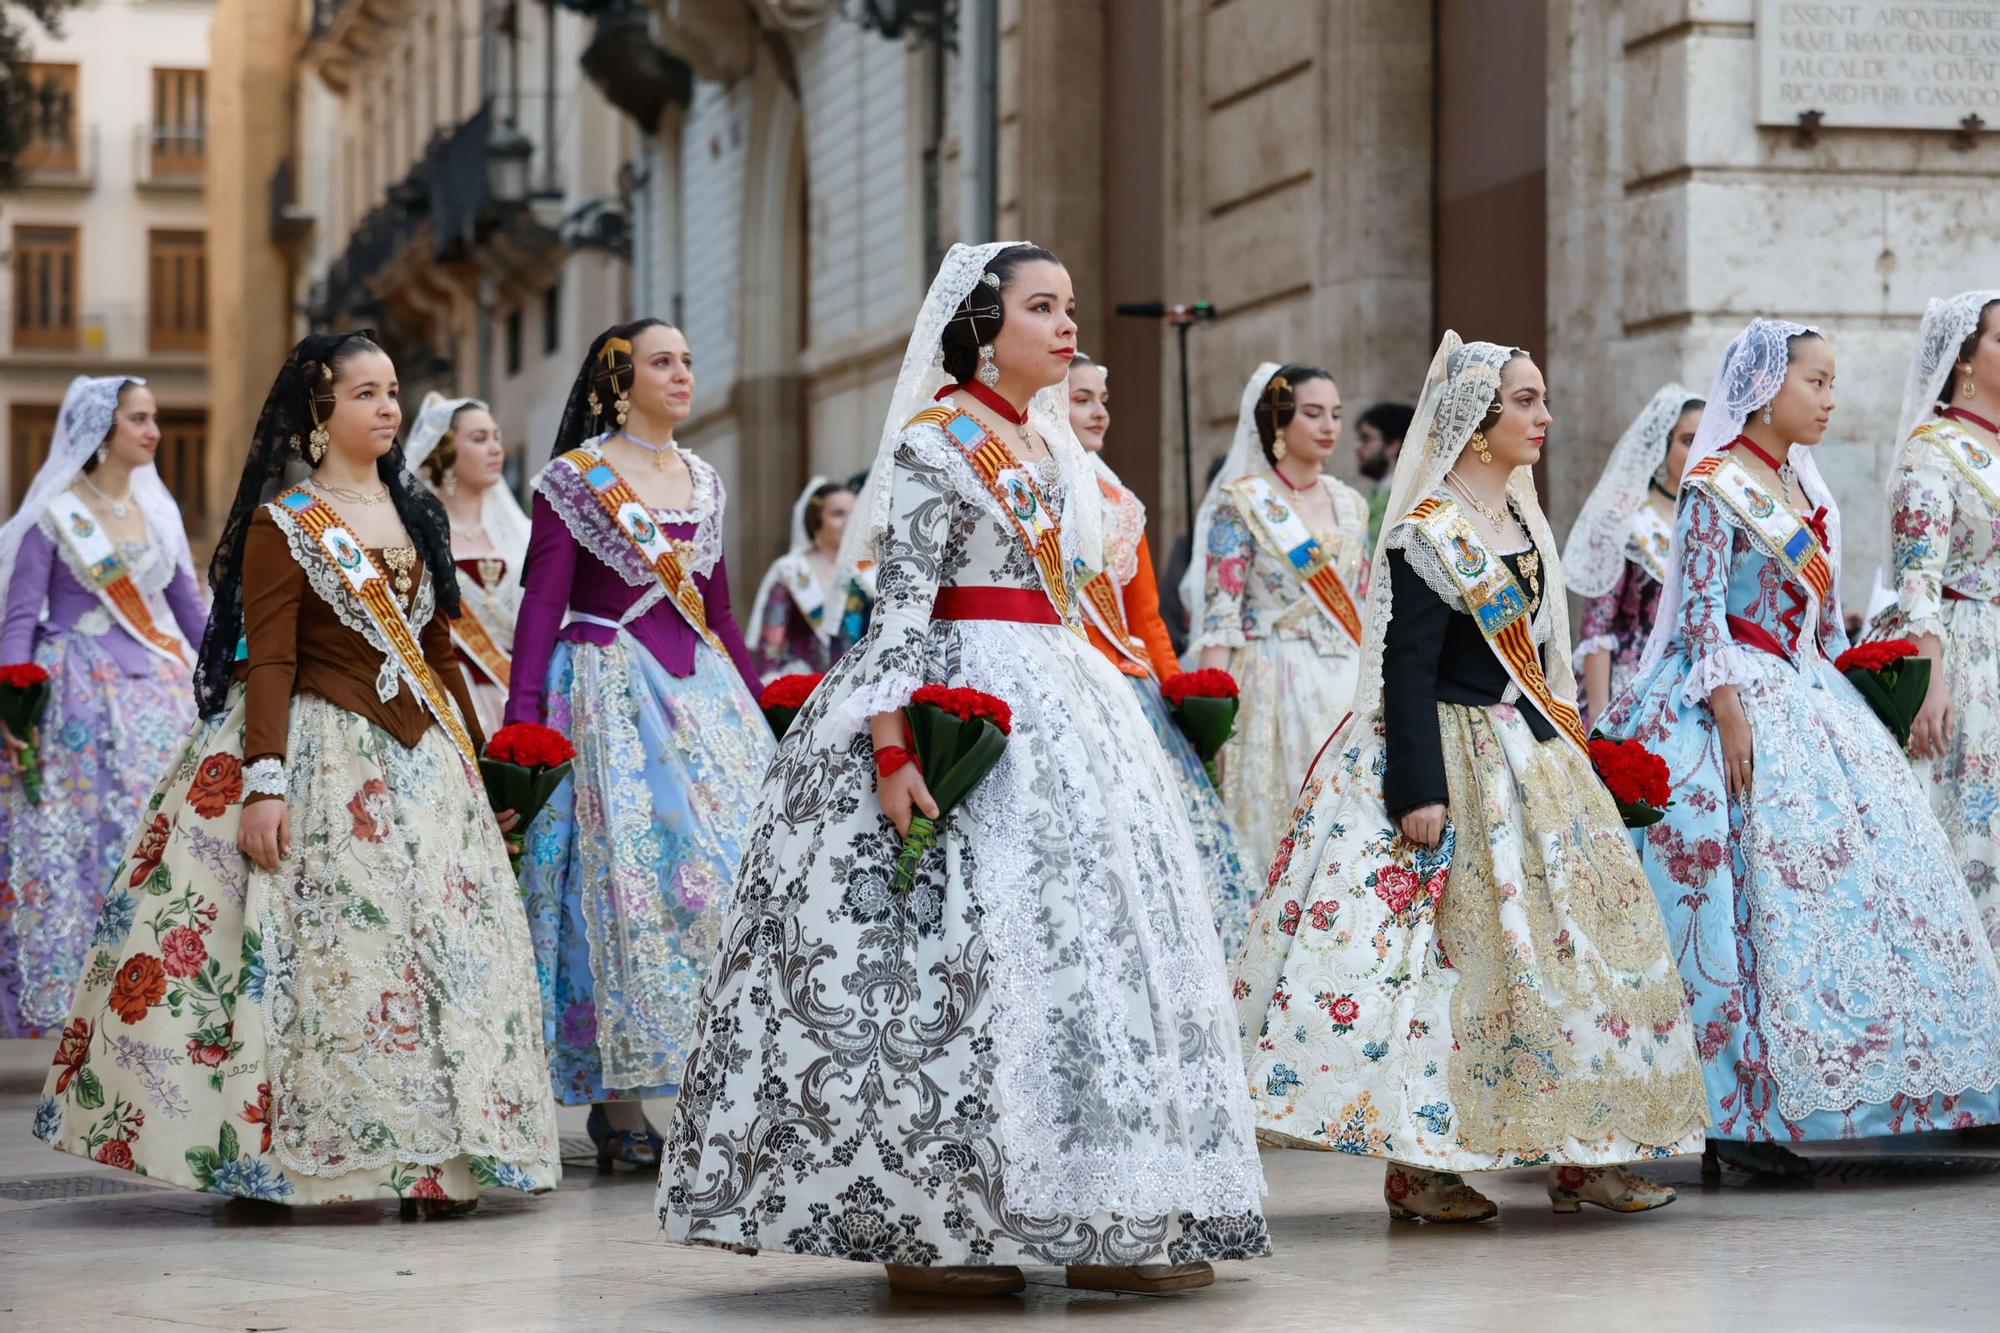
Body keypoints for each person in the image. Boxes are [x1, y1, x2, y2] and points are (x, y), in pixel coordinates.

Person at [659, 242, 1268, 1296]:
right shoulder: (935, 444)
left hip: (1066, 702)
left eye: (1071, 306)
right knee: (953, 964)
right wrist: (892, 751)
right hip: (957, 701)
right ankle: (940, 1226)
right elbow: (896, 617)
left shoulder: (1046, 446)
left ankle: (1104, 1212)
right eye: (1043, 308)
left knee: (1086, 955)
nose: (1067, 326)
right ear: (983, 325)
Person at [32, 332, 560, 1211]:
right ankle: (298, 1158)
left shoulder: (419, 514)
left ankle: (447, 1159)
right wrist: (264, 781)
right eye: (364, 393)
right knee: (333, 961)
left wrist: (485, 767)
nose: (387, 406)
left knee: (445, 956)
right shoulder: (286, 525)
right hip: (321, 753)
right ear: (319, 415)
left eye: (392, 391)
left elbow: (437, 653)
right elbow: (267, 659)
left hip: (427, 766)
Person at [1231, 333, 1708, 1223]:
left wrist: (1570, 756)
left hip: (1526, 755)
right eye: (1525, 401)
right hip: (1449, 760)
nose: (1544, 417)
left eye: (1540, 399)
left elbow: (1538, 661)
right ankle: (1422, 1167)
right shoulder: (1427, 533)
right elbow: (1403, 673)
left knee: (1578, 956)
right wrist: (1416, 788)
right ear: (1478, 426)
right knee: (1454, 972)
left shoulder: (1522, 522)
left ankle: (1589, 1150)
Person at [1599, 318, 2000, 1175]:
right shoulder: (1714, 483)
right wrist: (1731, 708)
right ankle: (1730, 1115)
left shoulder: (1798, 486)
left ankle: (1816, 1094)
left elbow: (1815, 614)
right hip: (1729, 694)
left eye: (1831, 383)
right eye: (1814, 382)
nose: (1828, 399)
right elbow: (1701, 607)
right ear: (1767, 387)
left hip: (1807, 690)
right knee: (1732, 904)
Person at [508, 319, 774, 1167]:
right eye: (664, 362)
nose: (683, 374)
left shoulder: (704, 480)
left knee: (727, 875)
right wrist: (523, 722)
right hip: (605, 690)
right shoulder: (575, 480)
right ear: (620, 382)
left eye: (690, 361)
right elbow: (541, 605)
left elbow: (720, 610)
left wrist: (767, 710)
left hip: (702, 695)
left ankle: (717, 1078)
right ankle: (619, 1102)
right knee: (621, 883)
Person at [0, 376, 205, 1038]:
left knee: (148, 849)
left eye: (154, 417)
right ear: (101, 431)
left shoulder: (159, 518)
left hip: (157, 706)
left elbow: (192, 618)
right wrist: (14, 700)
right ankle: (72, 999)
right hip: (77, 707)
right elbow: (20, 619)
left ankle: (144, 995)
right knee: (83, 848)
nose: (153, 431)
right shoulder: (57, 518)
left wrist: (240, 673)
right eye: (138, 419)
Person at [1067, 353, 1256, 954]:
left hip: (1124, 691)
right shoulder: (1025, 487)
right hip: (1060, 685)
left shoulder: (1119, 503)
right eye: (1081, 399)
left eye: (1103, 400)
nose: (1100, 412)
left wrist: (1178, 693)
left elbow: (1146, 618)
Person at [1183, 363, 1371, 870]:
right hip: (1270, 677)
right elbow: (1220, 614)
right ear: (1278, 423)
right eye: (1312, 413)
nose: (1329, 426)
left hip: (1348, 678)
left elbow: (1367, 602)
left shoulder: (1351, 504)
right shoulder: (1242, 503)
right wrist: (1212, 713)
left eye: (1335, 413)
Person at [1874, 291, 2000, 940]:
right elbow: (1918, 579)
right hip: (1965, 651)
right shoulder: (1935, 451)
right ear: (1966, 362)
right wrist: (1931, 677)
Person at [1563, 384, 1704, 726]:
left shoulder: (1713, 518)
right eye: (1688, 441)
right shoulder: (1624, 518)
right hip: (1636, 688)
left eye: (1707, 440)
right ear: (1663, 446)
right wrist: (1600, 718)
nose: (1700, 451)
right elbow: (1598, 627)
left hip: (1702, 688)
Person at [402, 392, 530, 735]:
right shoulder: (415, 536)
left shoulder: (519, 532)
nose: (495, 449)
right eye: (479, 439)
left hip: (515, 693)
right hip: (449, 694)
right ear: (445, 449)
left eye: (496, 438)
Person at [746, 478, 873, 680]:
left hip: (855, 685)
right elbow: (771, 643)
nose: (850, 521)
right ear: (816, 519)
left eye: (854, 513)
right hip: (804, 684)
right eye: (838, 514)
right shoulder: (792, 569)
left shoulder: (867, 571)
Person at [1355, 401, 1413, 550]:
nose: (1357, 447)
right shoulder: (1372, 495)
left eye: (1366, 438)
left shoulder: (1410, 499)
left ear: (1393, 445)